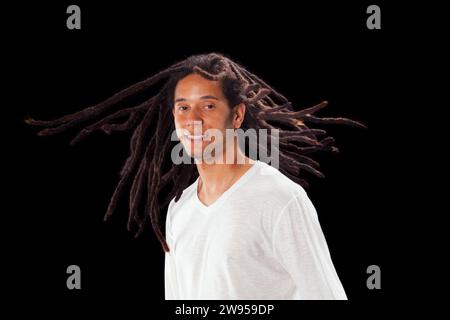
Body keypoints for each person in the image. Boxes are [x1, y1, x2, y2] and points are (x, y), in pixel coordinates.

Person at [25, 53, 365, 300]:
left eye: (208, 106)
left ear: (236, 116)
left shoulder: (279, 199)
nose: (193, 120)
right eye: (183, 108)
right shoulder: (180, 210)